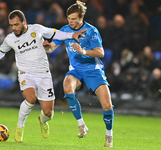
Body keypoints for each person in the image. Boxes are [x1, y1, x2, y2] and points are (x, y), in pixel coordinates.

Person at [0, 10, 85, 142]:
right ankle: (20, 126)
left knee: (48, 113)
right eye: (12, 25)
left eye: (16, 24)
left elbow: (56, 33)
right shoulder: (10, 39)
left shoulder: (37, 29)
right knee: (31, 98)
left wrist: (72, 35)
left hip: (44, 74)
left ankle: (43, 121)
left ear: (24, 22)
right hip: (26, 74)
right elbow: (0, 52)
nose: (14, 28)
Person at [43, 1, 114, 147]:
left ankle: (109, 135)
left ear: (81, 18)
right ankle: (81, 125)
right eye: (69, 18)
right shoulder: (65, 29)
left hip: (93, 70)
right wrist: (46, 47)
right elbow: (51, 48)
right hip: (76, 70)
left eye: (74, 19)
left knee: (107, 106)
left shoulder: (91, 31)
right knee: (68, 88)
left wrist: (83, 52)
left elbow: (100, 52)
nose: (71, 22)